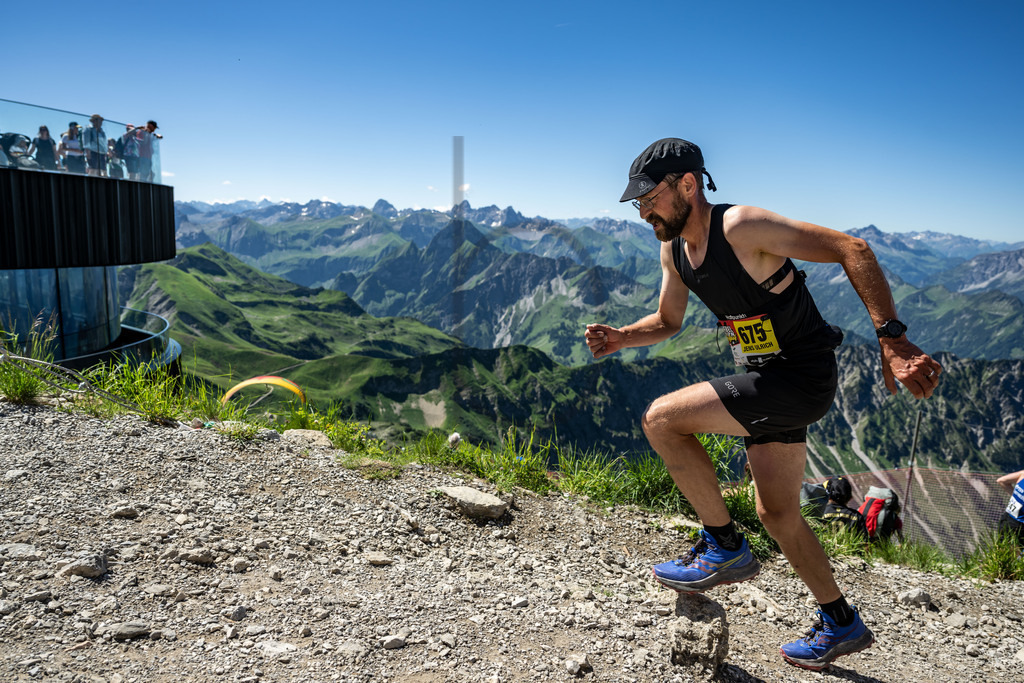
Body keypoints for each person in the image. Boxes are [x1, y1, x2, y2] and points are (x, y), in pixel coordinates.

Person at [584, 138, 942, 671]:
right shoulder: (675, 249)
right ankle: (841, 622)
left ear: (687, 184)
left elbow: (853, 249)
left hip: (799, 378)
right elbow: (668, 322)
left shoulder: (742, 227)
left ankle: (723, 544)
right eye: (636, 203)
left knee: (661, 420)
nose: (643, 212)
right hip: (768, 379)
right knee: (777, 513)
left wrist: (891, 340)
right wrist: (620, 337)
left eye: (649, 198)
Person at [996, 469, 1024, 545]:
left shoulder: (1022, 474)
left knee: (1001, 551)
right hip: (1020, 526)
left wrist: (1016, 496)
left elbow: (1001, 481)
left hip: (1006, 518)